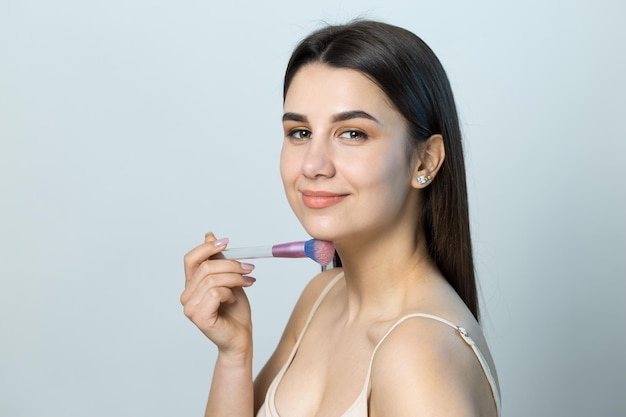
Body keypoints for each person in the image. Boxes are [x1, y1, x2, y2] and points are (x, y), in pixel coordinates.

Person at [181, 20, 500, 417]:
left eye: (352, 134)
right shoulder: (323, 296)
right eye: (299, 132)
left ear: (425, 160)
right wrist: (233, 354)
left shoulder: (417, 357)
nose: (313, 165)